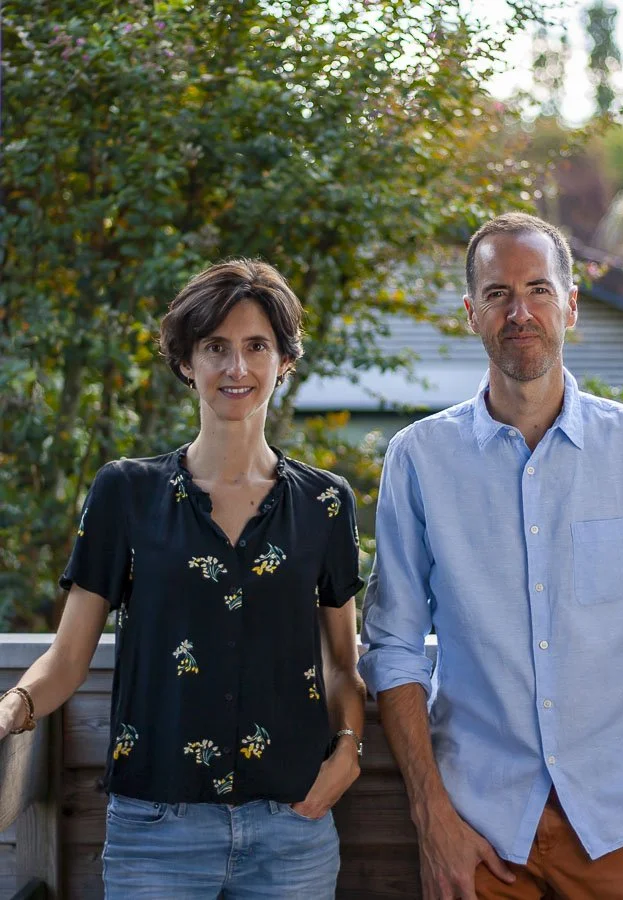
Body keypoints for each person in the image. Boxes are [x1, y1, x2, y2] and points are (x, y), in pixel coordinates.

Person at [358, 212, 623, 900]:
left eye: (539, 290)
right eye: (498, 294)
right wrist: (433, 818)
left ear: (570, 305)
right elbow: (393, 644)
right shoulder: (419, 460)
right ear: (471, 313)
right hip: (478, 832)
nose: (520, 312)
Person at [0, 258, 366, 899]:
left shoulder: (326, 503)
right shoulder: (124, 492)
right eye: (215, 347)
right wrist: (13, 707)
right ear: (186, 362)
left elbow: (342, 663)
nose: (236, 367)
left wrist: (347, 752)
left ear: (285, 361)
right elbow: (68, 658)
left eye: (257, 346)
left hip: (292, 826)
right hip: (155, 830)